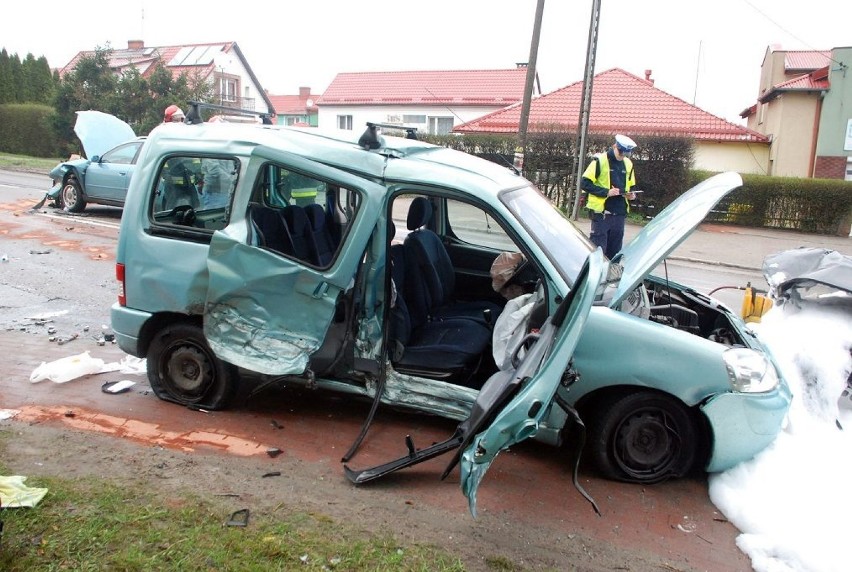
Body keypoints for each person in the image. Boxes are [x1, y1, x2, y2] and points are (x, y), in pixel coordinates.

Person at [581, 134, 638, 259]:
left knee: (614, 254)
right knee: (598, 253)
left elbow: (632, 185)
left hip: (619, 214)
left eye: (625, 154)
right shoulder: (600, 161)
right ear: (614, 146)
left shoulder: (628, 164)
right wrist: (606, 192)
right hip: (602, 214)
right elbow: (584, 183)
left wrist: (631, 196)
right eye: (620, 152)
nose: (622, 155)